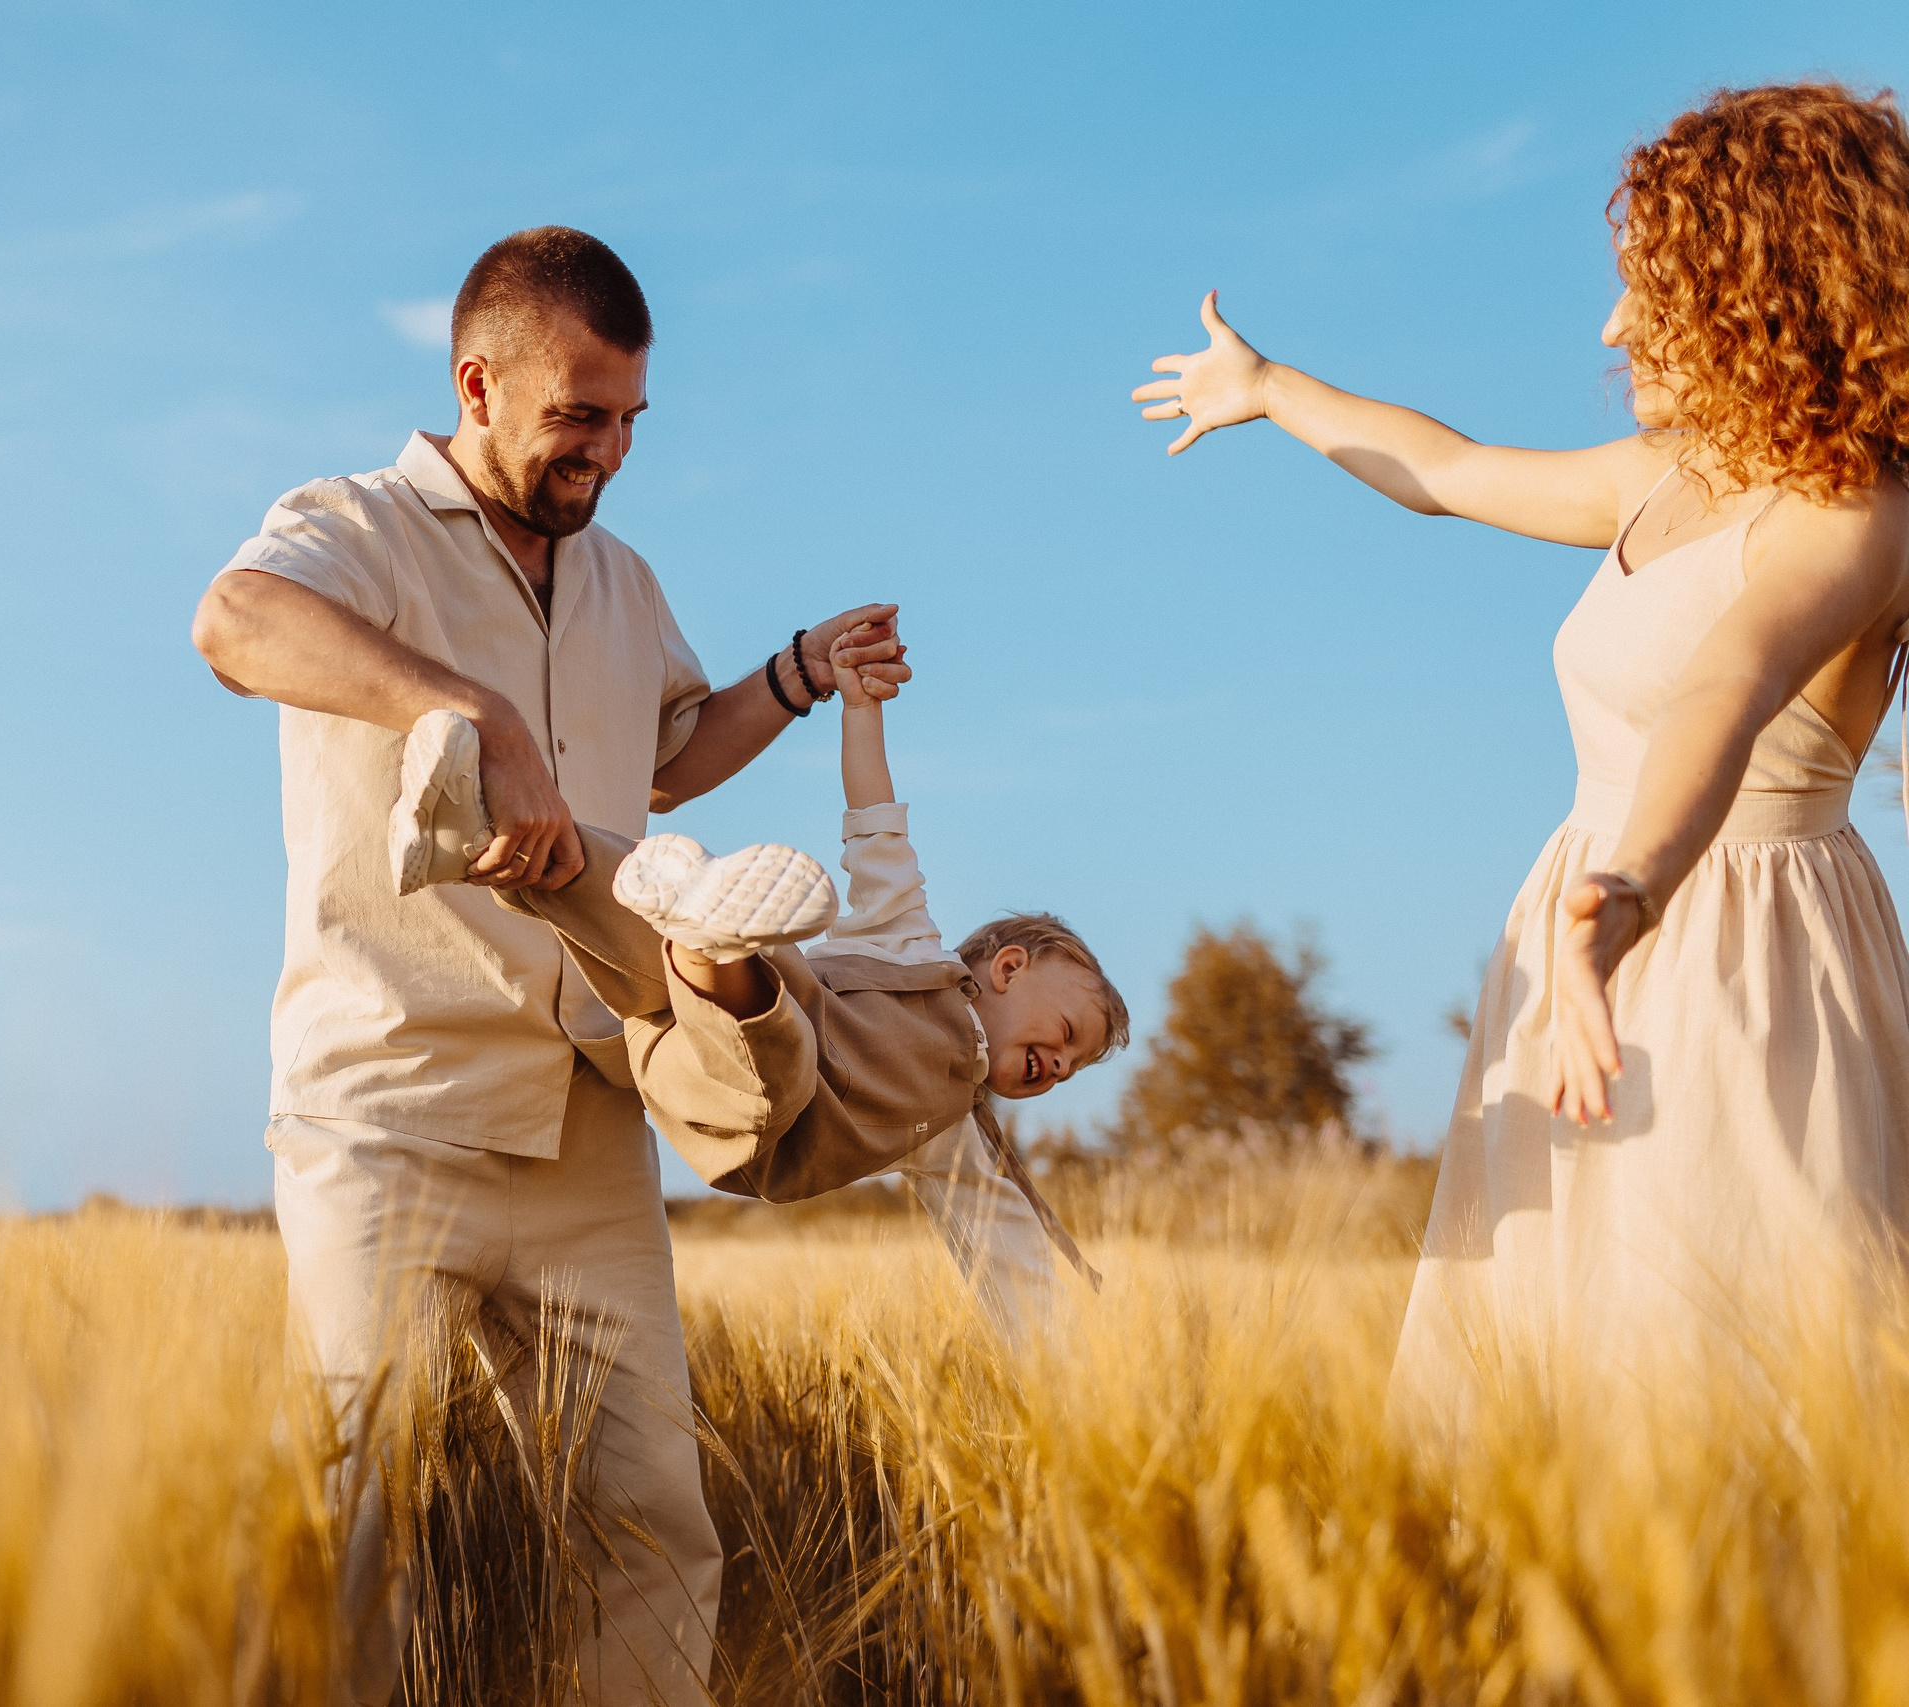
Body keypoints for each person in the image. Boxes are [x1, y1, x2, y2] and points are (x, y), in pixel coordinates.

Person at [194, 225, 903, 1705]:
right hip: (387, 1109)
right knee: (354, 1523)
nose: (611, 449)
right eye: (582, 415)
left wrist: (790, 674)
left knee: (651, 1520)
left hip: (590, 1111)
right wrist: (466, 708)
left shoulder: (623, 580)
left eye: (632, 419)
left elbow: (663, 756)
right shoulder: (352, 524)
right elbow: (235, 621)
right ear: (481, 382)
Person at [1135, 82, 1909, 1432]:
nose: (1615, 326)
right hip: (1583, 936)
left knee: (1730, 1375)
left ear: (1764, 290)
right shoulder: (1664, 477)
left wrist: (1629, 894)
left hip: (1733, 953)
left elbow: (1722, 692)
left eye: (1652, 290)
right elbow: (1447, 466)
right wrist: (1269, 389)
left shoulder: (1857, 519)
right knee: (1564, 1367)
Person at [392, 619, 1128, 1330]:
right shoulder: (907, 942)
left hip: (746, 1106)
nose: (1061, 1065)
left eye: (1072, 1067)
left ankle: (710, 939)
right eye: (1067, 1035)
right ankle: (475, 829)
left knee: (776, 1047)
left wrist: (1076, 1347)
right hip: (662, 1023)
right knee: (634, 919)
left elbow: (1011, 1249)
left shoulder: (955, 1133)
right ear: (1007, 967)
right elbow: (877, 821)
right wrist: (860, 706)